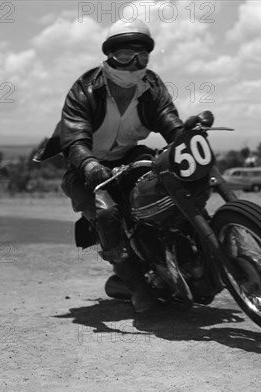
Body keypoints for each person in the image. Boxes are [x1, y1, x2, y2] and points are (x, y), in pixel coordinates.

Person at [33, 19, 185, 313]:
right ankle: (139, 289)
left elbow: (168, 119)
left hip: (129, 157)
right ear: (110, 54)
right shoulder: (85, 89)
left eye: (141, 55)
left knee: (166, 185)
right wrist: (89, 165)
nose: (134, 63)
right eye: (126, 55)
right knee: (108, 212)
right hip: (85, 168)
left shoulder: (151, 86)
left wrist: (184, 137)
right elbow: (74, 138)